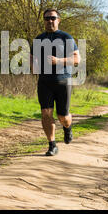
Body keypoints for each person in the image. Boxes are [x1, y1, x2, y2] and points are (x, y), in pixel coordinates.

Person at [30, 8, 80, 156]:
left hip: (62, 81)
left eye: (52, 18)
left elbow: (77, 59)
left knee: (62, 116)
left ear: (58, 20)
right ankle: (52, 145)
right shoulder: (38, 39)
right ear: (44, 21)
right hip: (44, 82)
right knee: (46, 113)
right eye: (47, 18)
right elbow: (32, 57)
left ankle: (67, 127)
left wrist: (59, 61)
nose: (50, 21)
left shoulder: (66, 37)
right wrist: (34, 66)